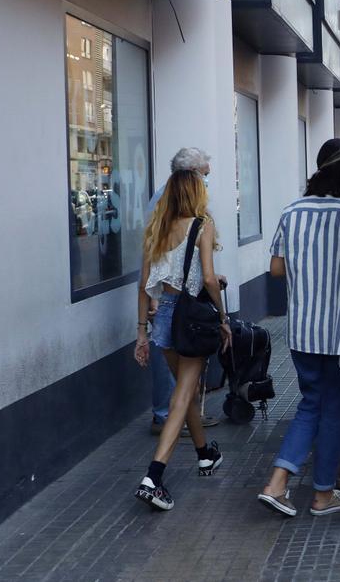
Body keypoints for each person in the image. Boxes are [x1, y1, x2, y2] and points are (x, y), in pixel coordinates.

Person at [257, 139, 340, 517]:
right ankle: (322, 495)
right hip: (339, 333)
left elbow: (276, 270)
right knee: (334, 410)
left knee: (310, 404)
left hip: (302, 331)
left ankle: (278, 482)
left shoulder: (291, 211)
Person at [133, 170, 231, 510]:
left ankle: (205, 454)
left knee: (183, 393)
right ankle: (153, 476)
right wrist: (222, 317)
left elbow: (144, 284)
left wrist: (141, 333)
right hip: (190, 318)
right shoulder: (202, 225)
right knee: (182, 395)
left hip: (163, 318)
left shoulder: (155, 229)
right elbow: (207, 277)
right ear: (196, 193)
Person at [145, 147, 220, 435]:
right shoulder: (168, 200)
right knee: (176, 371)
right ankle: (166, 420)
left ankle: (191, 430)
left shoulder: (173, 199)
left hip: (174, 295)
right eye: (205, 175)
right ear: (191, 175)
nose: (207, 181)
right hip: (171, 299)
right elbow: (156, 255)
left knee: (182, 374)